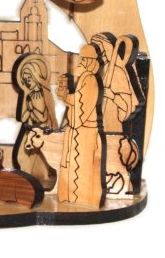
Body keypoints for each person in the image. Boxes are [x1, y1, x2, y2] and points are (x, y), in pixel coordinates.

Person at [57, 44, 104, 207]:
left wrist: (66, 97)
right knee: (73, 165)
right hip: (78, 130)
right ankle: (70, 197)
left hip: (85, 132)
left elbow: (82, 105)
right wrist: (65, 94)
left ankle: (82, 198)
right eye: (81, 59)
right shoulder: (84, 78)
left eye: (84, 59)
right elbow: (77, 101)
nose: (81, 62)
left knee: (82, 167)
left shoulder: (90, 79)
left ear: (91, 61)